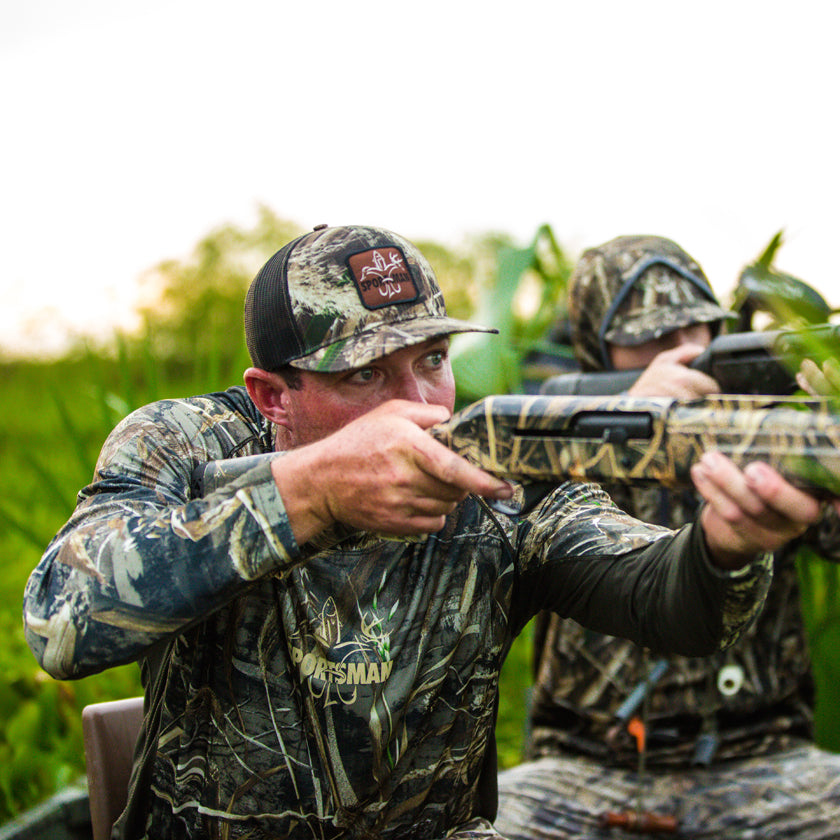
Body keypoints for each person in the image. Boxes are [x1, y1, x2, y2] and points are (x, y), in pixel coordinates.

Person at [22, 225, 831, 840]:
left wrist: (726, 547)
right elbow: (64, 620)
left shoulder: (495, 471)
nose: (423, 407)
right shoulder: (185, 443)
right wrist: (314, 496)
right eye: (365, 374)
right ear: (273, 395)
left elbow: (668, 602)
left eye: (433, 360)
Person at [496, 234, 840, 839]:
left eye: (700, 329)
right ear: (596, 355)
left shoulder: (769, 421)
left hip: (762, 761)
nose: (687, 351)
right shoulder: (551, 435)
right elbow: (491, 500)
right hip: (581, 769)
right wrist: (626, 417)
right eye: (652, 338)